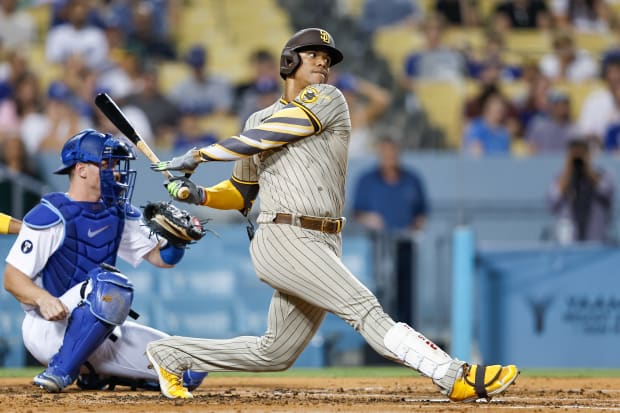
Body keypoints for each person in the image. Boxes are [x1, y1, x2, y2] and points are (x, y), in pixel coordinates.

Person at [147, 27, 518, 401]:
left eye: (327, 59)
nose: (323, 63)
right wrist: (198, 194)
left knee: (275, 352)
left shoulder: (328, 99)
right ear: (288, 62)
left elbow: (269, 135)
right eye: (313, 56)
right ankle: (452, 374)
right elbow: (241, 193)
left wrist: (196, 156)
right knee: (364, 308)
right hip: (283, 237)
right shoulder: (257, 121)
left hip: (324, 240)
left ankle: (171, 354)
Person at [3, 129, 207, 393]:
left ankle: (96, 374)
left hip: (98, 331)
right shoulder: (51, 213)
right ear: (81, 170)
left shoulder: (117, 212)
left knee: (187, 367)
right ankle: (60, 371)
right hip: (49, 328)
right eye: (107, 164)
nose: (117, 172)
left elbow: (161, 258)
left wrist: (178, 241)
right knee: (112, 285)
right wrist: (43, 299)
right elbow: (12, 279)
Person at [548, 137, 615, 244]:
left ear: (589, 155)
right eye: (574, 154)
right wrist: (568, 169)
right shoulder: (561, 177)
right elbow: (553, 201)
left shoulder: (602, 174)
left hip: (596, 238)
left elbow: (606, 191)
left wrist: (588, 168)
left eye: (582, 154)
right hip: (569, 240)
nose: (578, 158)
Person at [353, 137, 428, 232]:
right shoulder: (366, 181)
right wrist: (368, 219)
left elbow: (422, 213)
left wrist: (416, 227)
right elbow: (356, 214)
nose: (389, 157)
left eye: (392, 152)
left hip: (406, 241)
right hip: (375, 241)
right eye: (385, 154)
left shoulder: (412, 180)